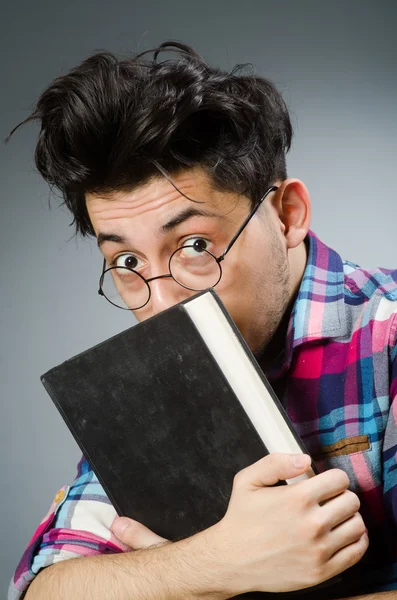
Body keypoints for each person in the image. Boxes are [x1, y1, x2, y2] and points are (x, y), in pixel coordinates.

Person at [7, 42, 397, 600]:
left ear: (287, 215)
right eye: (126, 262)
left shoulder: (388, 334)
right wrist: (213, 567)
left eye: (194, 245)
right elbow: (47, 589)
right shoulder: (148, 384)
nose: (162, 304)